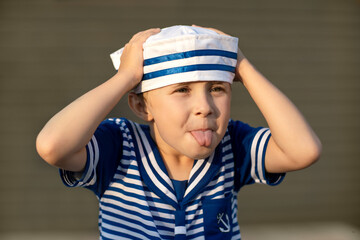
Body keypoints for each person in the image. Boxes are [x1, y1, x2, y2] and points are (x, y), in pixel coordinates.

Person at [36, 25, 321, 239]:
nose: (205, 107)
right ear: (140, 105)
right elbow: (53, 146)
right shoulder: (119, 147)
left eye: (217, 88)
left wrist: (243, 67)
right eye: (183, 90)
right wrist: (126, 77)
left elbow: (303, 150)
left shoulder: (232, 145)